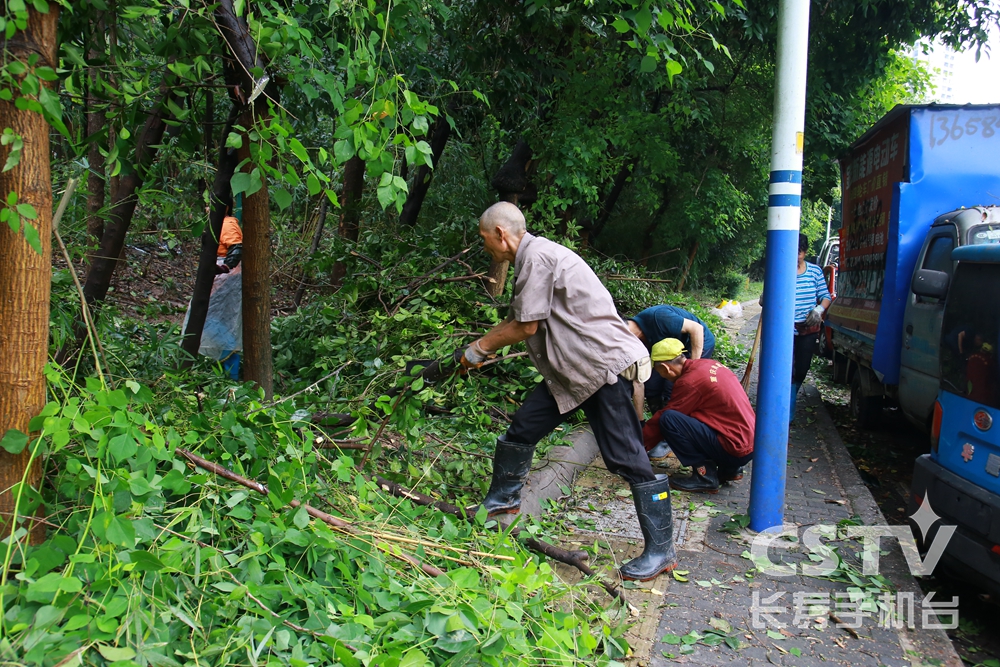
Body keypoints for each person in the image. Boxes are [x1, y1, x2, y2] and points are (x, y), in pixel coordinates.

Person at [460, 201, 676, 582]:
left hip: (601, 369)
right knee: (523, 427)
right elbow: (525, 320)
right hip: (573, 371)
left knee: (626, 458)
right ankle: (503, 503)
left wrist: (480, 347)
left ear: (500, 234)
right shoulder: (535, 257)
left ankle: (661, 550)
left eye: (484, 238)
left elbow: (525, 326)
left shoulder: (538, 258)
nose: (485, 247)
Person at [641, 339, 755, 493]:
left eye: (658, 371)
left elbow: (665, 418)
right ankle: (730, 469)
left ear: (666, 368)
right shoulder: (709, 364)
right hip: (750, 442)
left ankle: (705, 477)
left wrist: (638, 446)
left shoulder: (689, 382)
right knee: (696, 416)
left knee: (669, 419)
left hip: (735, 448)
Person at [790, 233, 832, 421]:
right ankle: (786, 407)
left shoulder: (815, 272)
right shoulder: (781, 270)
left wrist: (818, 310)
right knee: (785, 368)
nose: (796, 255)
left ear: (805, 252)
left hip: (808, 328)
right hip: (785, 328)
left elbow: (825, 297)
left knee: (802, 368)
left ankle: (791, 395)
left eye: (799, 252)